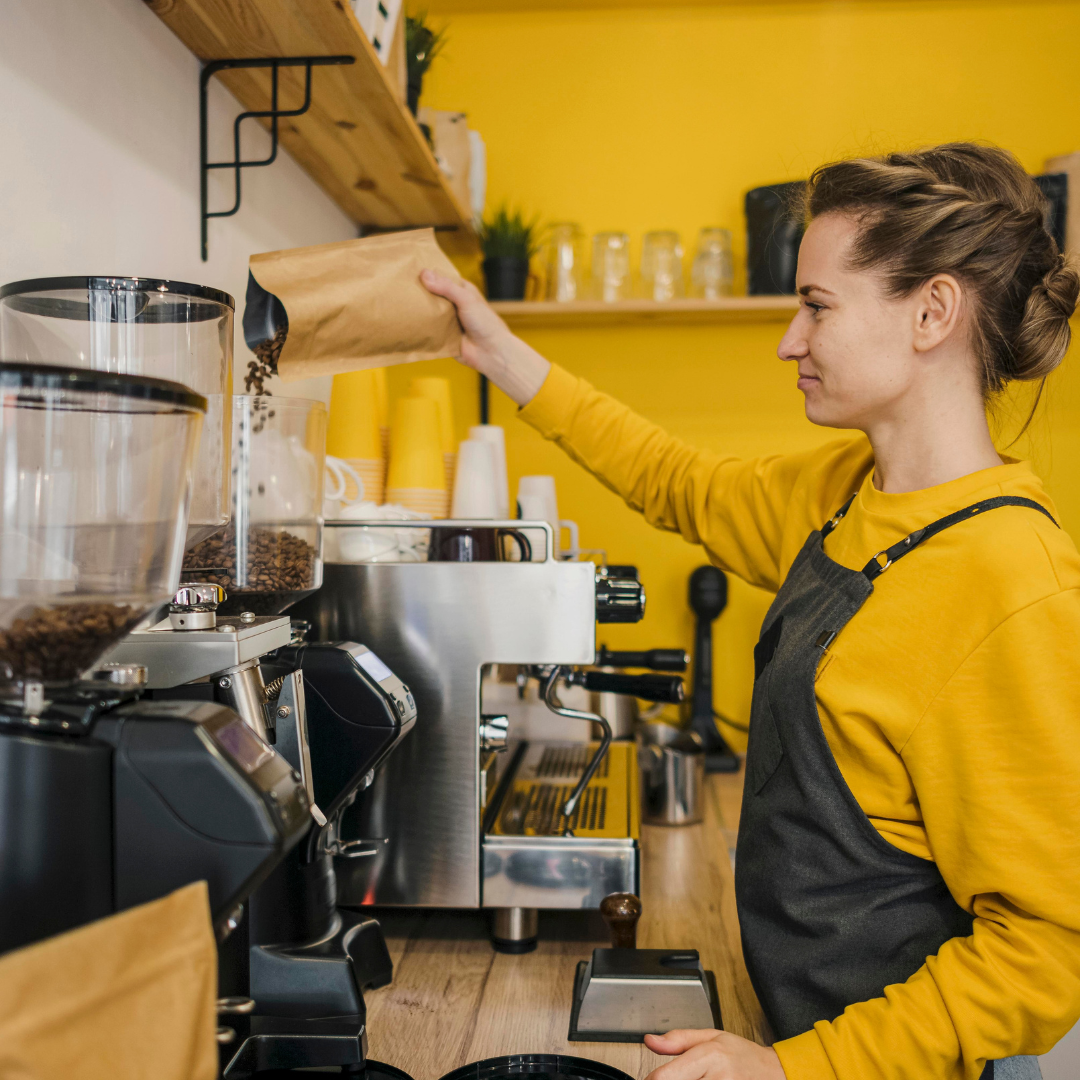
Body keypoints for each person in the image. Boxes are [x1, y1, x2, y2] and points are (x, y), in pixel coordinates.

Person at [422, 143, 1080, 1080]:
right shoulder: (851, 491)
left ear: (933, 311)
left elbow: (1049, 945)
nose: (789, 340)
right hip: (802, 1035)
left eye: (816, 305)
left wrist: (794, 1072)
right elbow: (677, 482)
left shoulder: (1014, 583)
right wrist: (499, 352)